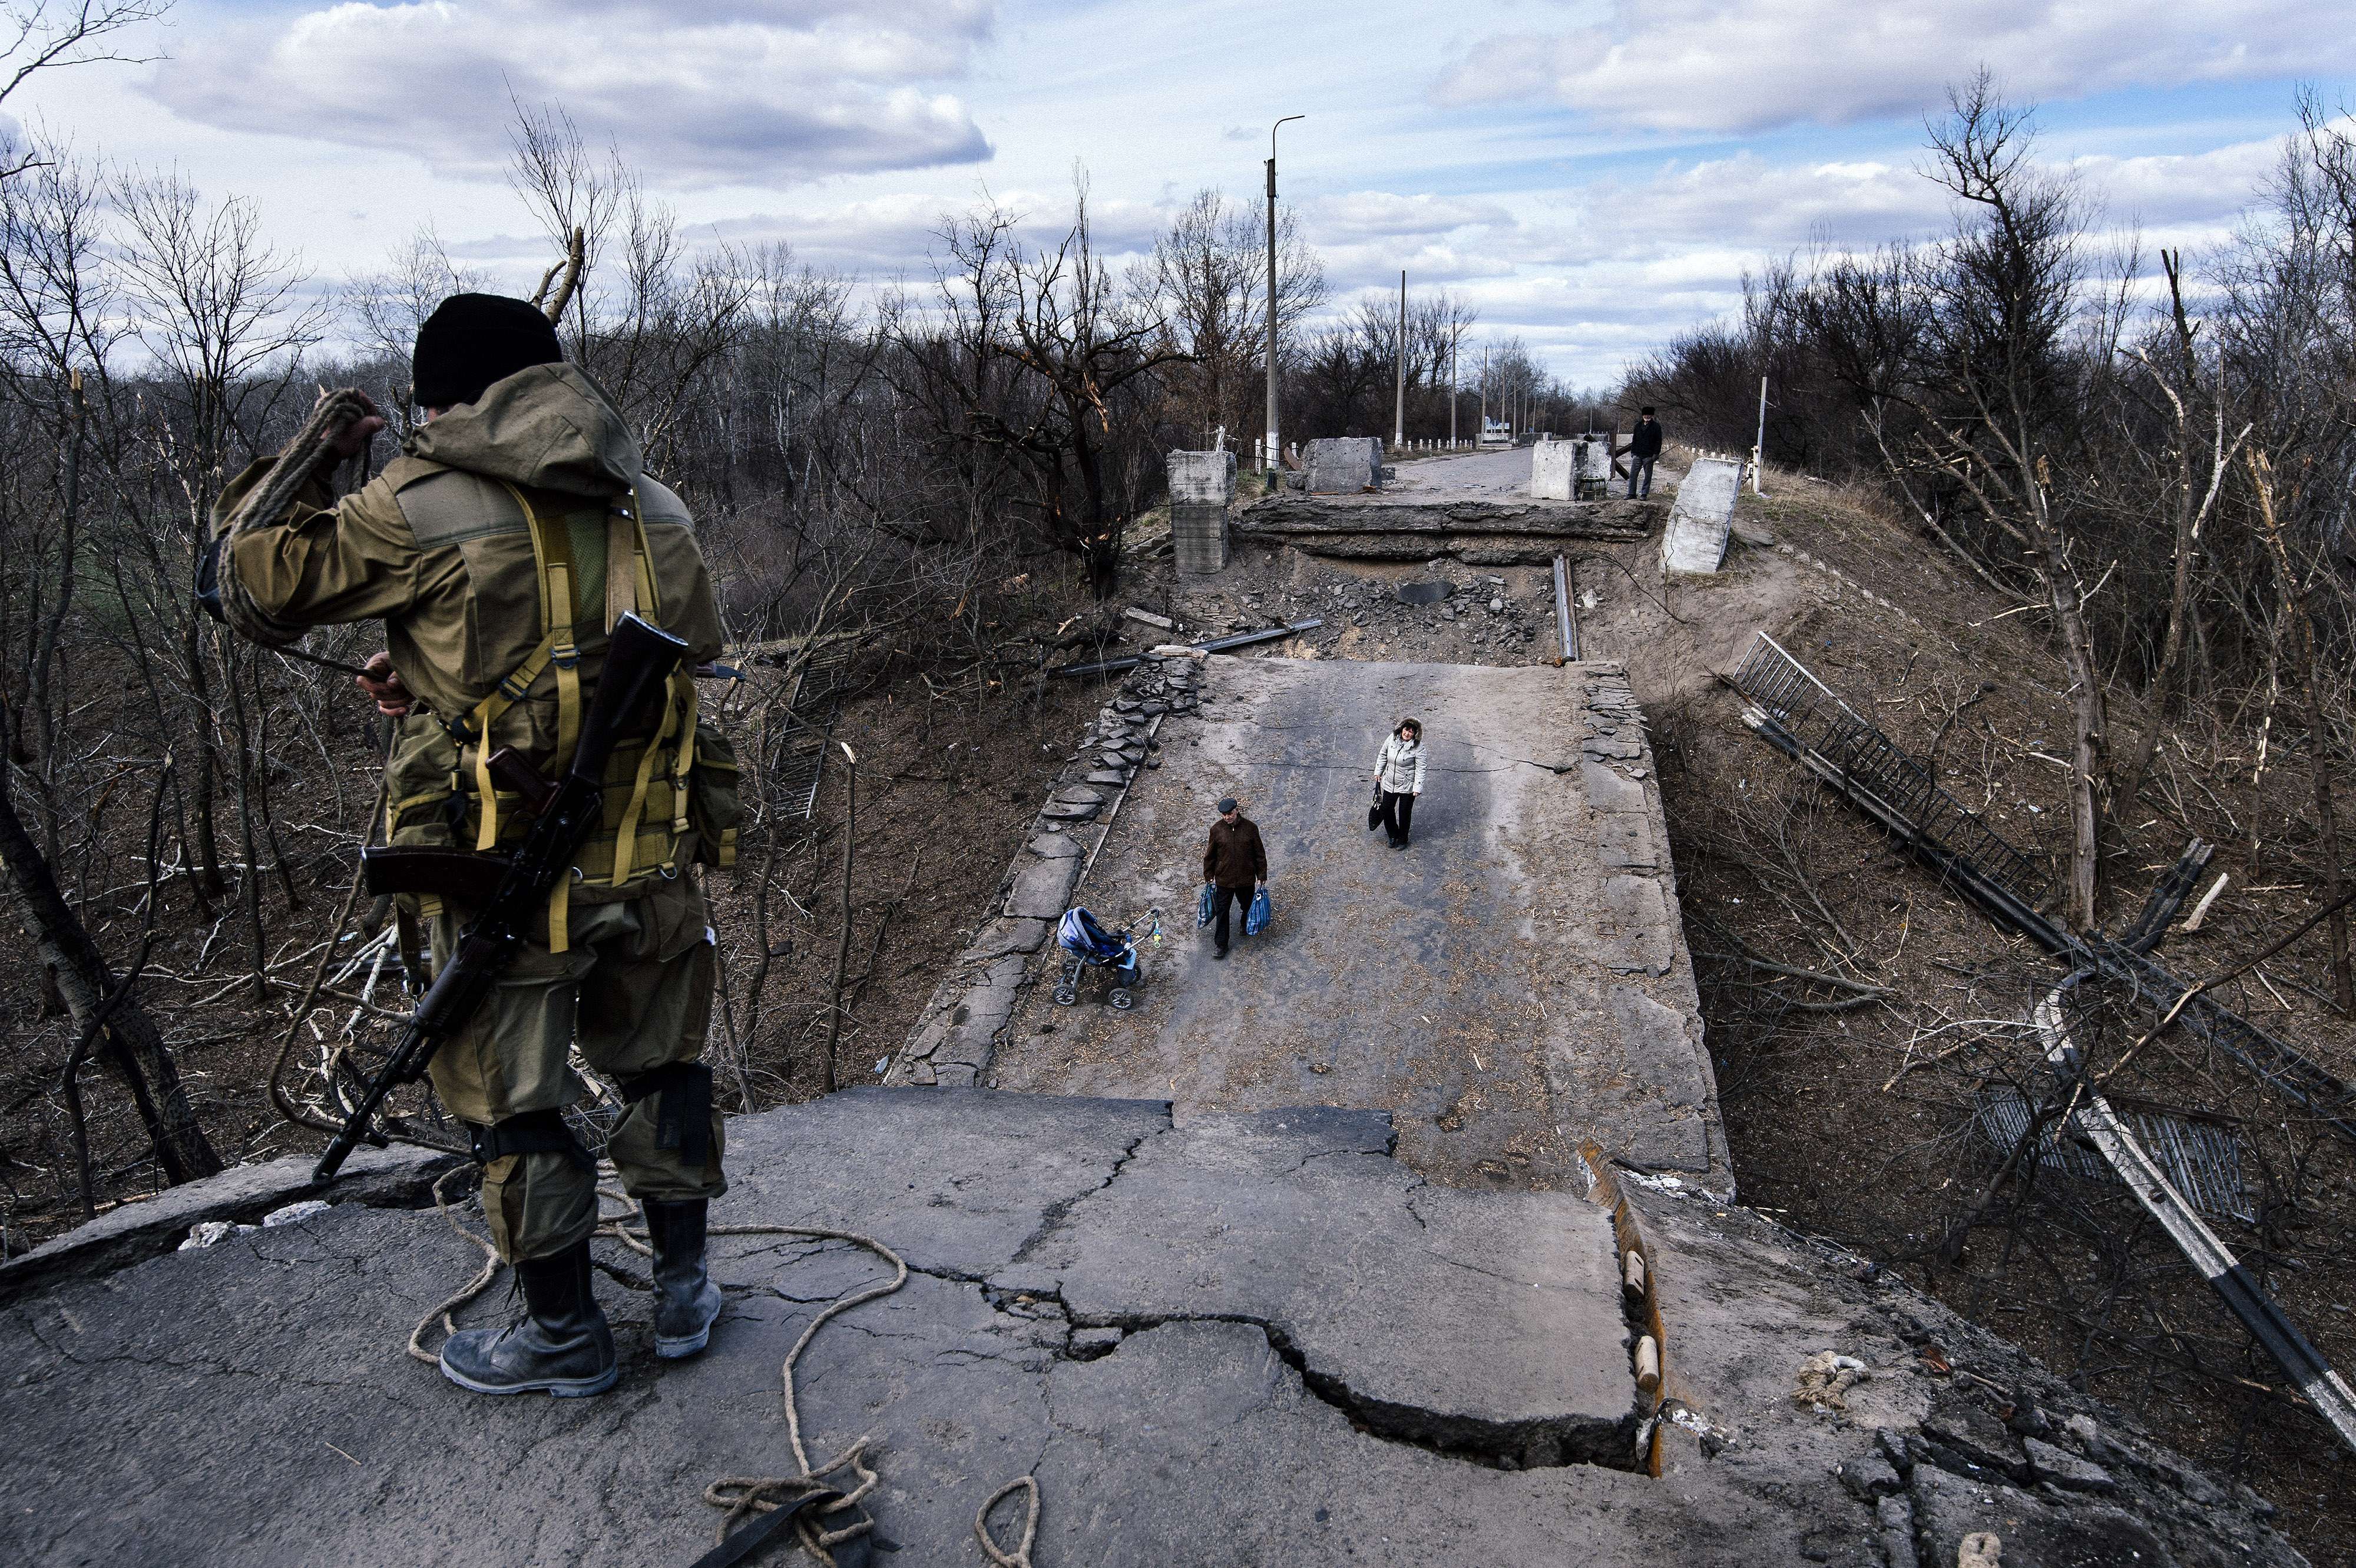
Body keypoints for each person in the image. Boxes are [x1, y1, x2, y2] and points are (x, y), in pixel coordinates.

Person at [206, 293, 737, 1399]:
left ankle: (563, 1335)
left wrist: (316, 450)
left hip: (511, 865)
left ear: (446, 398)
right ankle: (687, 1294)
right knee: (667, 1067)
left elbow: (246, 584)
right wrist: (445, 673)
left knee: (514, 1099)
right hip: (650, 857)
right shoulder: (660, 504)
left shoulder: (418, 501)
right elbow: (636, 664)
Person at [1201, 796, 1268, 960]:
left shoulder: (1251, 829)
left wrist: (1262, 874)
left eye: (1230, 813)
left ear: (1237, 810)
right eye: (1224, 815)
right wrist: (1209, 874)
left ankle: (1245, 923)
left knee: (1247, 905)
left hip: (1246, 879)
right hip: (1225, 880)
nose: (1227, 817)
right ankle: (1221, 944)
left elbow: (1259, 853)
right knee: (1222, 911)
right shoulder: (1216, 830)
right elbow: (1210, 855)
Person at [1373, 718, 1425, 848]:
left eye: (1412, 732)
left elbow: (1421, 768)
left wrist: (1417, 787)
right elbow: (1383, 754)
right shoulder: (1392, 739)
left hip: (1407, 786)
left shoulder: (1419, 748)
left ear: (1415, 734)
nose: (1408, 733)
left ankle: (1403, 839)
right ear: (1402, 729)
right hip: (1390, 782)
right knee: (1386, 809)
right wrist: (1378, 772)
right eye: (1406, 729)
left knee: (1404, 813)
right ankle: (1392, 834)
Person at [1626, 406, 1663, 499]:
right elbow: (1634, 440)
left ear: (1652, 415)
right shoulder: (1638, 426)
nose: (1647, 416)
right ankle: (1631, 494)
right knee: (1633, 475)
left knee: (1648, 476)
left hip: (1649, 456)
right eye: (1646, 414)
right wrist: (1633, 453)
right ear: (1643, 415)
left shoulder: (1656, 427)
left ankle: (1644, 494)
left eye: (1649, 414)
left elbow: (1659, 442)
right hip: (1637, 454)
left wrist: (1656, 454)